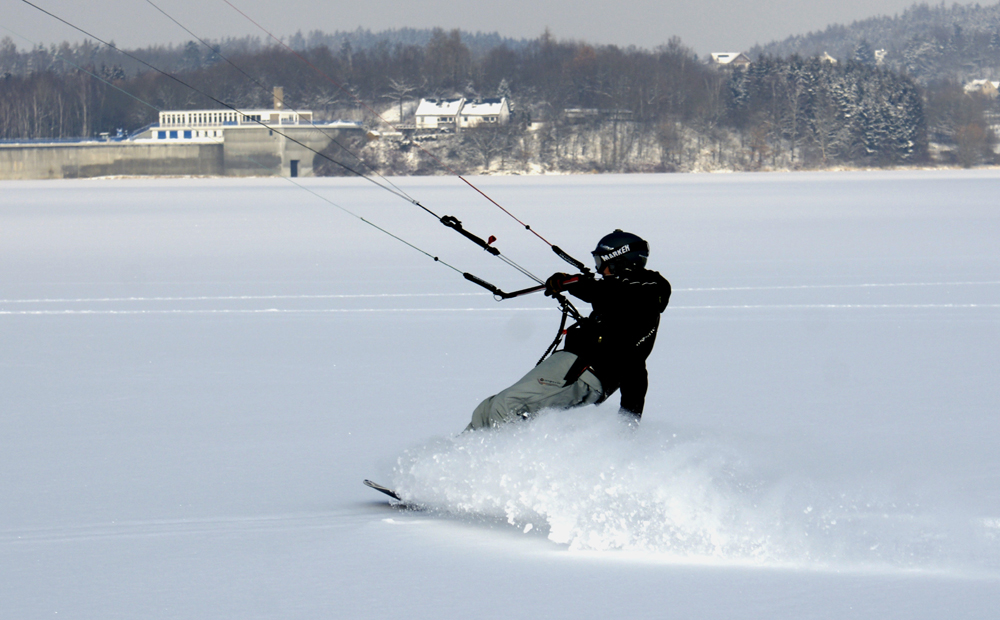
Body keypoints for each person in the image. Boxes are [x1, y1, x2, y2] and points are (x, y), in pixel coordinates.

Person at [466, 230, 671, 430]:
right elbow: (608, 293)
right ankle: (459, 454)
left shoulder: (648, 289)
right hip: (574, 364)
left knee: (506, 406)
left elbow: (615, 296)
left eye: (601, 263)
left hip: (586, 372)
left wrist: (630, 418)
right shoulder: (621, 294)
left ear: (620, 260)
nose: (600, 270)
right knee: (488, 408)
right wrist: (570, 282)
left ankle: (496, 459)